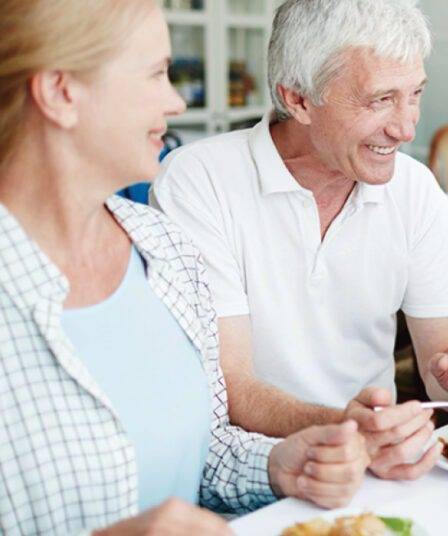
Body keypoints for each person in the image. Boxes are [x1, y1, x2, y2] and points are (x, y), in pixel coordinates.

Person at [0, 1, 371, 534]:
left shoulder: (163, 248)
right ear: (61, 93)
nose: (175, 101)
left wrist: (277, 465)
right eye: (156, 74)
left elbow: (204, 446)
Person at [150, 0, 448, 480]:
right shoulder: (200, 180)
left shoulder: (415, 188)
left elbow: (439, 369)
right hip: (253, 472)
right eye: (380, 100)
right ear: (297, 99)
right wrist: (346, 427)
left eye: (415, 94)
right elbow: (230, 387)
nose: (405, 128)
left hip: (379, 466)